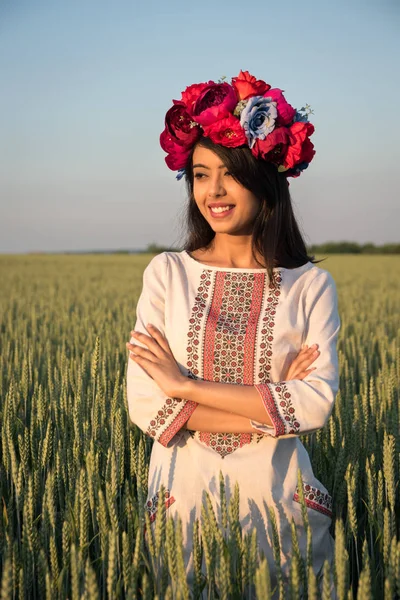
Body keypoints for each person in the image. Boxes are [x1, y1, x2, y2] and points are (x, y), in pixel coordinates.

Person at [126, 71, 340, 595]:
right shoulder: (167, 274)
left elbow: (314, 406)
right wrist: (270, 408)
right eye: (200, 174)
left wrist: (187, 386)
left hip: (280, 504)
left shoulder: (311, 285)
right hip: (184, 502)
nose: (213, 191)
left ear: (266, 180)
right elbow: (144, 403)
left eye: (230, 173)